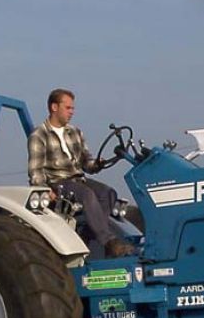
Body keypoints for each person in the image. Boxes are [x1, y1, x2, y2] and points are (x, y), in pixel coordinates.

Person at [28, 88, 135, 257]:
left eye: (72, 108)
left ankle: (88, 234)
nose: (72, 112)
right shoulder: (39, 135)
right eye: (68, 108)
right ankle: (109, 242)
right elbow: (35, 170)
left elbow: (87, 163)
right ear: (54, 107)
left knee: (108, 193)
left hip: (78, 180)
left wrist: (98, 164)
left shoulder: (75, 132)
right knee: (87, 195)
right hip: (57, 182)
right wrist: (45, 189)